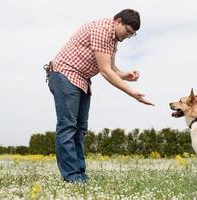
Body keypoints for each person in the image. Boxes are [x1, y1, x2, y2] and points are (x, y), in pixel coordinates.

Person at [44, 8, 154, 182]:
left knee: (80, 130)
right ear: (118, 21)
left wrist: (126, 76)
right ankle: (72, 177)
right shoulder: (102, 30)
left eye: (132, 35)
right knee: (68, 128)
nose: (128, 36)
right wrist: (131, 92)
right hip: (65, 75)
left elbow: (112, 69)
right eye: (128, 31)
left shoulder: (113, 40)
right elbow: (105, 71)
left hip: (81, 79)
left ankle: (80, 174)